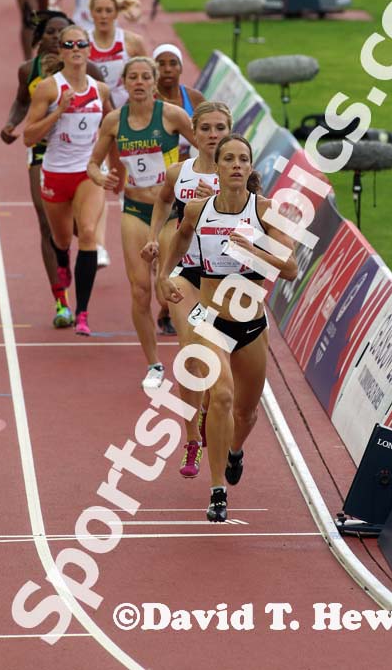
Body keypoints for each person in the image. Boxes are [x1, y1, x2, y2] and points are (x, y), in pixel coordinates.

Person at [158, 134, 297, 522]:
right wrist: (166, 275)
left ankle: (235, 450)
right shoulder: (198, 209)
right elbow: (182, 235)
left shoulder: (266, 210)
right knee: (220, 396)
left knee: (247, 413)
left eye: (243, 159)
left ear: (251, 168)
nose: (236, 165)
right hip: (209, 319)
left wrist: (252, 250)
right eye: (229, 159)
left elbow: (290, 268)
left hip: (251, 324)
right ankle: (217, 489)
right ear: (216, 167)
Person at [87, 57, 197, 388]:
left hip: (171, 213)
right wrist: (101, 176)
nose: (139, 82)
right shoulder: (113, 122)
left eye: (145, 77)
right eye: (132, 77)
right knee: (140, 290)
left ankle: (193, 354)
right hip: (134, 209)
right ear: (124, 83)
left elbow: (208, 146)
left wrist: (195, 175)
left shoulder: (172, 116)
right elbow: (92, 163)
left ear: (153, 82)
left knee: (170, 290)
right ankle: (154, 366)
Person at [141, 101, 232, 478]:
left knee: (221, 367)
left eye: (220, 128)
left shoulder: (241, 173)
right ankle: (192, 438)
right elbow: (162, 203)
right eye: (206, 128)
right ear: (193, 132)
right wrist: (153, 239)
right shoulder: (179, 172)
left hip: (228, 279)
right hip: (186, 272)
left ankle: (213, 409)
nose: (213, 135)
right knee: (191, 353)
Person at [1, 10, 106, 327]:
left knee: (80, 231)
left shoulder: (92, 73)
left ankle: (84, 251)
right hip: (44, 154)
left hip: (81, 158)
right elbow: (22, 102)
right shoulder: (29, 71)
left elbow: (109, 115)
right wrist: (11, 124)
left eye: (76, 40)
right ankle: (61, 302)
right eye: (53, 34)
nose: (66, 43)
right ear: (47, 40)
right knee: (47, 226)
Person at [23, 25, 113, 335]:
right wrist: (58, 112)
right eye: (68, 44)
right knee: (62, 239)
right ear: (60, 52)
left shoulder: (100, 91)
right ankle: (62, 259)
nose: (75, 48)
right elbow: (28, 137)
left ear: (89, 50)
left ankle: (83, 313)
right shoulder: (48, 89)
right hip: (54, 174)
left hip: (86, 173)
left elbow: (112, 128)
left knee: (87, 232)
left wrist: (113, 170)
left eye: (81, 44)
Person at [153, 43, 206, 334]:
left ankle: (167, 308)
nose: (168, 69)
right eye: (161, 63)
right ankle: (167, 302)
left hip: (190, 185)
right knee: (162, 249)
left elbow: (210, 133)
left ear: (181, 67)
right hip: (159, 185)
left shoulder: (194, 99)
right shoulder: (150, 101)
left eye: (173, 63)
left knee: (182, 247)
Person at [88, 0, 146, 108]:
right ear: (91, 12)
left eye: (108, 11)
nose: (103, 16)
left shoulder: (133, 41)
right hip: (94, 106)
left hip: (126, 107)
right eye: (99, 10)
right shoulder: (83, 42)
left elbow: (149, 75)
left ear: (116, 13)